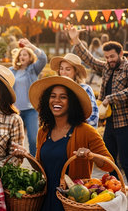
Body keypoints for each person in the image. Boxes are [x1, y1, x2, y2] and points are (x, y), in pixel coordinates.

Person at [17, 76, 114, 211]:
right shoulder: (44, 131)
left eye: (63, 97)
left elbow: (109, 164)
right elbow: (41, 168)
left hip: (71, 202)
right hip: (44, 201)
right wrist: (26, 155)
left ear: (72, 103)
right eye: (53, 96)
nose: (56, 100)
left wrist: (91, 155)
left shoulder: (86, 131)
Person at [68, 24, 128, 176]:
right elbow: (90, 60)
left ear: (120, 53)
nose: (109, 60)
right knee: (109, 161)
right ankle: (117, 193)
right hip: (109, 123)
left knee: (126, 162)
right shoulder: (107, 66)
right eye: (107, 57)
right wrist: (76, 40)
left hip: (124, 122)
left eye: (112, 57)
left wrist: (110, 98)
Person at [10, 38, 47, 156]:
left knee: (32, 140)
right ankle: (13, 165)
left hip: (30, 110)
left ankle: (36, 166)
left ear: (30, 57)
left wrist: (30, 45)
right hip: (15, 111)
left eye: (25, 54)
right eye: (20, 54)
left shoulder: (33, 70)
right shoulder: (12, 71)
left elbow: (43, 58)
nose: (22, 56)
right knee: (13, 142)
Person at [50, 53, 98, 128]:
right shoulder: (55, 90)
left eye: (68, 69)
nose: (63, 72)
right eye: (61, 68)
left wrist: (75, 126)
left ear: (76, 72)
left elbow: (93, 118)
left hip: (79, 133)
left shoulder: (85, 89)